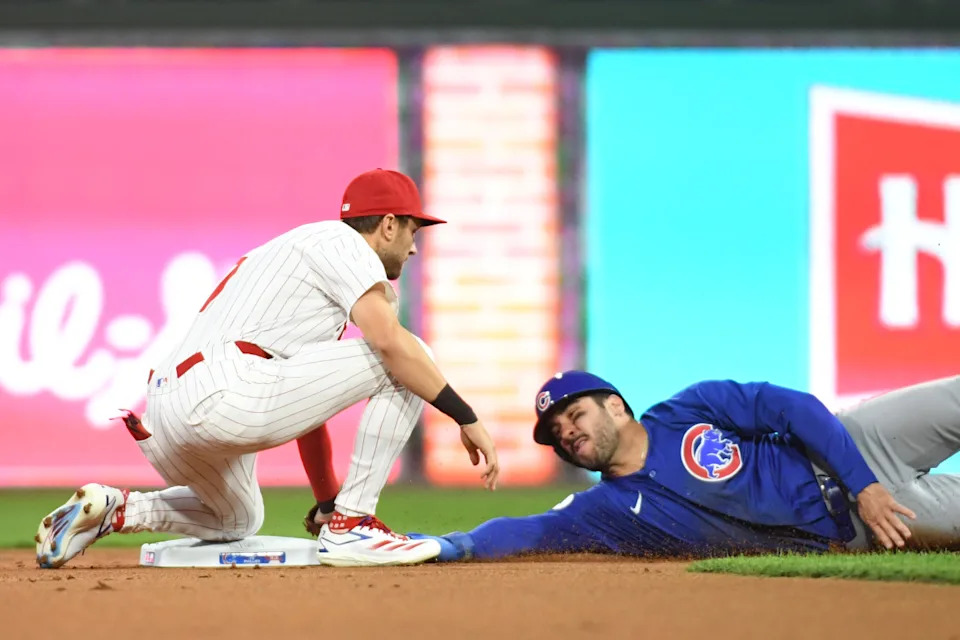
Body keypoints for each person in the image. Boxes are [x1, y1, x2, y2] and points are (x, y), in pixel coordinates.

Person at [35, 168, 499, 569]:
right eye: (415, 231)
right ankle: (354, 525)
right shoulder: (344, 242)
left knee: (236, 519)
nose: (415, 248)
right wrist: (466, 415)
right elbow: (390, 346)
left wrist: (325, 501)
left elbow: (305, 409)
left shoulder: (303, 262)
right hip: (225, 389)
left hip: (169, 410)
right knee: (409, 353)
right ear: (390, 224)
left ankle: (117, 510)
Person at [414, 370, 960, 561]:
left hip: (857, 444)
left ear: (615, 405)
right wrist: (451, 545)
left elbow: (792, 408)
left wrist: (863, 482)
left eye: (574, 415)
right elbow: (529, 530)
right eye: (557, 435)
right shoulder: (606, 510)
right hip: (862, 527)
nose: (569, 433)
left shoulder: (688, 409)